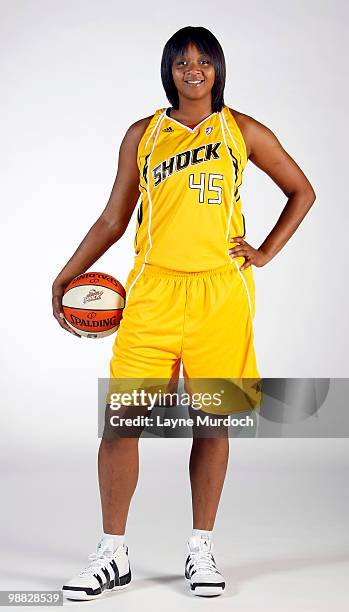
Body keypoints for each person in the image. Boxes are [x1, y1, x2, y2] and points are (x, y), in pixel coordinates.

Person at [52, 26, 316, 599]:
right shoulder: (144, 135)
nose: (192, 70)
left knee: (211, 423)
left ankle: (201, 547)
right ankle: (113, 552)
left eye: (202, 61)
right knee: (121, 423)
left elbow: (302, 190)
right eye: (180, 62)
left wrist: (265, 252)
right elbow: (112, 219)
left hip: (221, 294)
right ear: (168, 70)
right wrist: (67, 273)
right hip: (152, 294)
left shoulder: (242, 130)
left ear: (218, 68)